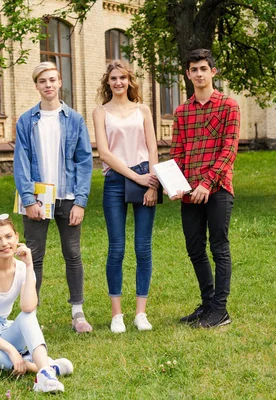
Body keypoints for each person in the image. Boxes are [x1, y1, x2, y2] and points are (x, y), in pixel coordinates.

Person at [13, 62, 94, 333]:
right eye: (42, 81)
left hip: (68, 196)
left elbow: (84, 161)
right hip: (36, 198)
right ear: (36, 86)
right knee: (33, 257)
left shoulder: (75, 119)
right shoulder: (26, 120)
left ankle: (78, 313)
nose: (48, 85)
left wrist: (80, 201)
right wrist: (28, 199)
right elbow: (21, 161)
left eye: (52, 80)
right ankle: (29, 315)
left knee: (72, 254)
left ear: (60, 82)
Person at [0, 213, 72, 393]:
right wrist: (11, 350)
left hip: (5, 330)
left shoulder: (21, 268)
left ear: (17, 237)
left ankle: (44, 374)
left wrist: (29, 266)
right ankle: (39, 367)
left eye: (8, 236)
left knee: (28, 316)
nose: (4, 243)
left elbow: (28, 307)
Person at [170, 49, 240, 328]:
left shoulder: (228, 105)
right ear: (187, 75)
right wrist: (174, 185)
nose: (199, 74)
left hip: (218, 188)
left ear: (213, 71)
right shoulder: (182, 111)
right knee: (195, 248)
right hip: (189, 193)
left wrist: (207, 183)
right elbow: (177, 153)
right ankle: (207, 303)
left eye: (203, 68)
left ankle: (220, 311)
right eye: (193, 70)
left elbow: (229, 149)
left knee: (219, 247)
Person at [92, 60, 160, 333]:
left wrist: (153, 184)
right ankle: (117, 314)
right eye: (113, 78)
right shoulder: (100, 112)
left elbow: (152, 148)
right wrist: (135, 178)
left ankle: (140, 314)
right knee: (117, 248)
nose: (118, 82)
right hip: (116, 181)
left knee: (143, 247)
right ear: (107, 83)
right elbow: (105, 154)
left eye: (122, 78)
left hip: (146, 177)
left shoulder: (143, 110)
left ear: (130, 81)